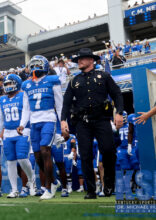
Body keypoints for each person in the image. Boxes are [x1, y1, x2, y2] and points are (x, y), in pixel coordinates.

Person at [61, 48, 124, 199]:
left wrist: (119, 113)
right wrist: (63, 120)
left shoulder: (104, 76)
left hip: (102, 119)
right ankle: (90, 190)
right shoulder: (74, 81)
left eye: (82, 58)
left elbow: (117, 94)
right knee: (85, 155)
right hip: (83, 122)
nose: (79, 61)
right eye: (78, 59)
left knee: (108, 151)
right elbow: (66, 103)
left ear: (91, 60)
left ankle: (108, 184)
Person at [22, 55, 63, 200]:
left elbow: (59, 104)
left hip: (49, 119)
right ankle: (54, 181)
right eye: (33, 64)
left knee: (46, 151)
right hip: (34, 122)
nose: (35, 67)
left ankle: (49, 187)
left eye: (38, 64)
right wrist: (22, 123)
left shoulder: (52, 80)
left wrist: (63, 123)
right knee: (38, 156)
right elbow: (26, 108)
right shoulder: (26, 85)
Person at [0, 74, 35, 198]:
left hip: (22, 130)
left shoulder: (23, 95)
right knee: (10, 161)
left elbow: (28, 112)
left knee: (22, 158)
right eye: (5, 84)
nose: (7, 86)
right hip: (8, 133)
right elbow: (0, 119)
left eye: (10, 83)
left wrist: (23, 125)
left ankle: (31, 181)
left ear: (17, 83)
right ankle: (14, 189)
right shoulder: (2, 99)